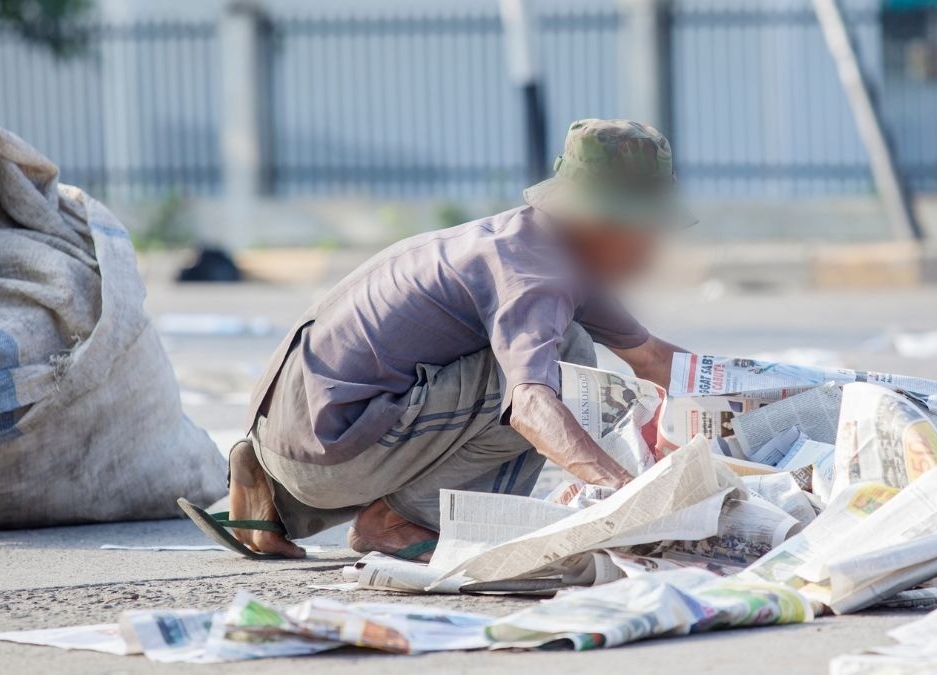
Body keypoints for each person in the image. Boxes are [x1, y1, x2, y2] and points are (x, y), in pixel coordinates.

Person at [220, 119, 695, 559]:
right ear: (599, 222)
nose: (653, 248)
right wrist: (625, 493)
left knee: (555, 357)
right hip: (326, 455)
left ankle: (271, 498)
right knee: (565, 362)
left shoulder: (532, 241)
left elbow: (652, 358)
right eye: (645, 230)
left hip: (288, 435)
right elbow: (530, 407)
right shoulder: (537, 277)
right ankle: (396, 521)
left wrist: (762, 403)